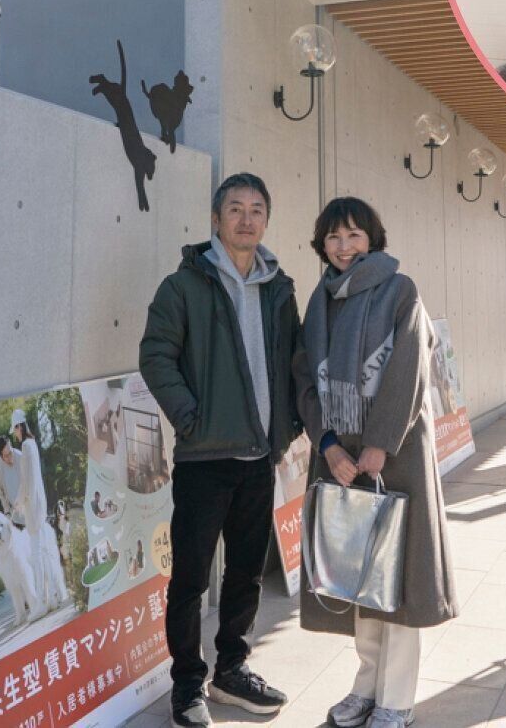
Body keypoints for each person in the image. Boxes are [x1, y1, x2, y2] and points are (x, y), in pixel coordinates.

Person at [140, 172, 303, 727]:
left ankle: (232, 669)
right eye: (235, 208)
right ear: (216, 219)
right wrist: (191, 418)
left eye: (257, 209)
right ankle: (187, 685)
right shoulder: (183, 286)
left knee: (245, 574)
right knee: (190, 578)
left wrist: (287, 430)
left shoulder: (279, 288)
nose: (246, 218)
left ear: (266, 221)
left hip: (259, 458)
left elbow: (294, 365)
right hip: (205, 460)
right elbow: (156, 355)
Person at [293, 197, 457, 728]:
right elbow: (304, 377)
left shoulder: (399, 290)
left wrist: (380, 443)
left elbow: (409, 368)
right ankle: (365, 688)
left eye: (354, 236)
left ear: (373, 239)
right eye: (334, 238)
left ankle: (396, 701)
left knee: (400, 584)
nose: (344, 247)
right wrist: (329, 444)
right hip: (342, 459)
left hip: (397, 454)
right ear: (323, 244)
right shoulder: (321, 298)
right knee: (357, 577)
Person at [12, 409, 70, 608]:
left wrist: (18, 502)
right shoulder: (32, 444)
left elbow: (26, 481)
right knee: (46, 552)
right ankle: (55, 596)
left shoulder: (26, 446)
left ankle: (42, 603)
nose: (15, 433)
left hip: (33, 507)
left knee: (38, 555)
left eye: (15, 429)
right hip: (38, 503)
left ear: (20, 426)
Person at [0, 435, 24, 527]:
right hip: (14, 517)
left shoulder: (21, 457)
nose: (10, 458)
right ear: (1, 456)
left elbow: (29, 483)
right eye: (6, 456)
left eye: (10, 453)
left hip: (29, 512)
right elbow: (1, 492)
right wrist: (7, 511)